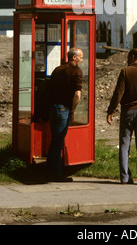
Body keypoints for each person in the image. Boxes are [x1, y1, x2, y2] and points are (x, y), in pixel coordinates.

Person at [107, 48, 137, 185]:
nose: (127, 59)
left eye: (129, 57)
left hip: (127, 111)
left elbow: (118, 93)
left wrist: (111, 110)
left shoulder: (125, 71)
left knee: (124, 144)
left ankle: (124, 177)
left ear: (133, 56)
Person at [46, 47, 83, 182]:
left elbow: (49, 90)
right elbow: (77, 94)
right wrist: (72, 110)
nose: (81, 59)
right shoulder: (76, 71)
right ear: (74, 57)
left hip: (53, 108)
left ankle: (49, 169)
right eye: (80, 57)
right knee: (59, 141)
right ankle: (56, 174)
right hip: (64, 109)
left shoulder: (57, 69)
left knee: (54, 140)